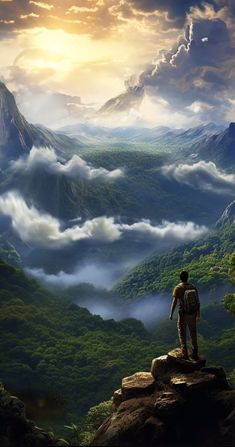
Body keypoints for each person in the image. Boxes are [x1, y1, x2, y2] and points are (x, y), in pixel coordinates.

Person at [169, 271, 200, 360]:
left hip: (183, 313)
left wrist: (171, 313)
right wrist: (198, 315)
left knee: (182, 332)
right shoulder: (193, 287)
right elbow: (197, 302)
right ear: (187, 277)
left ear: (180, 278)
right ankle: (195, 353)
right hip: (192, 313)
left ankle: (185, 354)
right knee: (193, 332)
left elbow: (174, 302)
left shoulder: (178, 288)